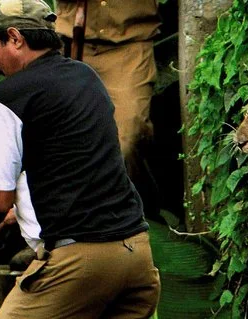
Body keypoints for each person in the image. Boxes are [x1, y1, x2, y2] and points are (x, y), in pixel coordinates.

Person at [0, 0, 160, 317]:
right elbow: (67, 185)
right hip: (136, 259)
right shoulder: (88, 79)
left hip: (79, 265)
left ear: (14, 38)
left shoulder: (8, 98)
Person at [56, 0, 160, 216]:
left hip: (130, 45)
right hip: (73, 44)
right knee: (68, 144)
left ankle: (141, 217)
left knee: (129, 140)